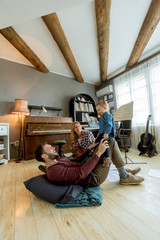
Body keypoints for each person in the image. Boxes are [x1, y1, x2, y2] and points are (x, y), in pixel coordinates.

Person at [35, 138, 144, 187]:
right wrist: (98, 154)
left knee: (104, 142)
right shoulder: (54, 172)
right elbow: (81, 173)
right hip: (93, 177)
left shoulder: (57, 160)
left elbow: (76, 160)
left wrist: (90, 149)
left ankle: (123, 171)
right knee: (110, 142)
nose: (53, 147)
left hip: (89, 169)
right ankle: (124, 176)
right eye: (50, 148)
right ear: (44, 156)